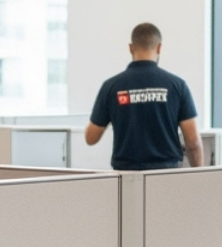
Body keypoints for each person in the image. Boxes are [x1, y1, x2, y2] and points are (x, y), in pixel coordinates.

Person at [85, 23, 203, 170]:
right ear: (159, 48)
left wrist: (116, 113)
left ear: (130, 48)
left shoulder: (111, 86)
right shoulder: (177, 85)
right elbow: (193, 142)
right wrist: (198, 174)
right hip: (166, 174)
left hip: (125, 177)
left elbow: (90, 138)